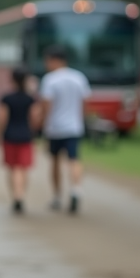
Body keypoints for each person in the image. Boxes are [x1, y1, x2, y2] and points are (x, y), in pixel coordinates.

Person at [39, 45, 92, 214]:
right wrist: (81, 121)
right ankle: (76, 189)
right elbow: (85, 103)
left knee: (55, 161)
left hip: (55, 127)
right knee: (74, 159)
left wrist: (44, 126)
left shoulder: (50, 79)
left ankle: (56, 196)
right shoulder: (79, 77)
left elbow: (46, 106)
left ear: (55, 60)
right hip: (74, 127)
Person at [0, 67, 40, 214]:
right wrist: (32, 131)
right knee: (23, 168)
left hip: (10, 136)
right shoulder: (30, 99)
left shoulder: (7, 98)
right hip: (25, 136)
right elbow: (34, 118)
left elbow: (2, 119)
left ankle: (15, 195)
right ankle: (21, 194)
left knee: (12, 168)